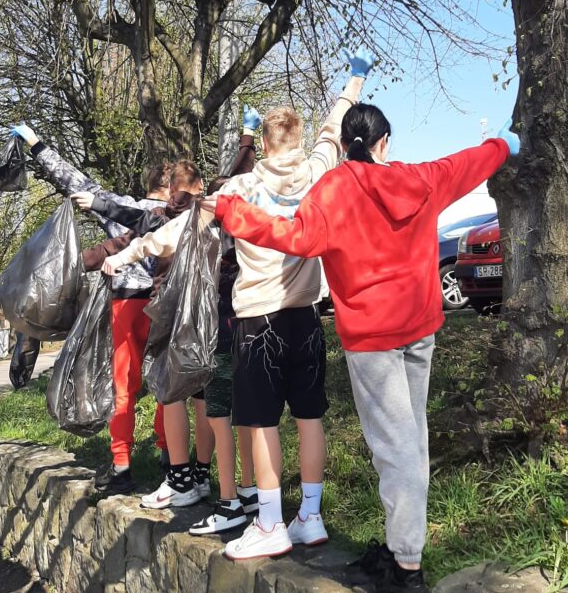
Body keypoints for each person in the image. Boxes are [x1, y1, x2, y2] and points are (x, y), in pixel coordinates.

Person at [203, 102, 519, 593]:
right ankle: (399, 550)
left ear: (347, 141)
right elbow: (468, 165)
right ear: (383, 142)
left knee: (394, 449)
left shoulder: (333, 191)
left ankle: (407, 575)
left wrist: (233, 213)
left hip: (372, 340)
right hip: (420, 331)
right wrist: (503, 145)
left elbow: (294, 237)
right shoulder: (419, 178)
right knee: (409, 439)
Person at [104, 50, 374, 559]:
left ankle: (270, 523)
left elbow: (183, 229)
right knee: (310, 418)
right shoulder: (320, 171)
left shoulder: (242, 185)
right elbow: (334, 128)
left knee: (262, 423)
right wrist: (353, 82)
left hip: (258, 321)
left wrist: (132, 253)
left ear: (266, 143)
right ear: (296, 140)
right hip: (306, 318)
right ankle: (310, 518)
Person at [81, 111, 261, 513]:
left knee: (174, 395)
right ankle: (218, 481)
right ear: (199, 187)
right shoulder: (222, 210)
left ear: (168, 191)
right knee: (214, 403)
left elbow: (128, 232)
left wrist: (87, 252)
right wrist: (247, 136)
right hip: (222, 319)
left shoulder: (168, 216)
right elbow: (239, 173)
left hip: (176, 320)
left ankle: (183, 478)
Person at [10, 122, 170, 495]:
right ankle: (169, 458)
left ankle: (121, 464)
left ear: (147, 184)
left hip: (128, 307)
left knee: (124, 387)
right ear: (172, 187)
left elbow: (74, 180)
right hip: (167, 308)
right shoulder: (187, 214)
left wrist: (36, 144)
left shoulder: (123, 209)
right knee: (166, 384)